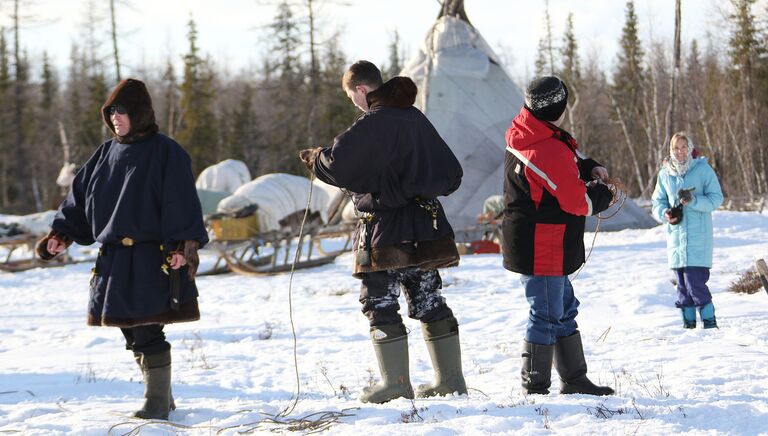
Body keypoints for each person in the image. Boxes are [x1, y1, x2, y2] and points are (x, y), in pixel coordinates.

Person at [35, 78, 208, 420]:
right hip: (114, 259)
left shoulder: (166, 152)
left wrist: (180, 246)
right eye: (112, 111)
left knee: (146, 329)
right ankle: (163, 397)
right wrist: (61, 234)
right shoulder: (105, 153)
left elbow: (182, 201)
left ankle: (157, 404)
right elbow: (79, 198)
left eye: (123, 111)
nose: (116, 117)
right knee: (129, 331)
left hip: (151, 257)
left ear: (140, 113)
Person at [299, 60, 467, 403]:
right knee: (429, 299)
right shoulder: (415, 119)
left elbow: (337, 166)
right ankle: (451, 381)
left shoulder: (372, 124)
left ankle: (395, 385)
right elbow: (452, 173)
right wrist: (414, 185)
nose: (354, 104)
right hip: (425, 226)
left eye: (351, 97)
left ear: (361, 89)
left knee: (379, 301)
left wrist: (315, 159)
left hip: (386, 230)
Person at [503, 76, 615, 396]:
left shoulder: (531, 130)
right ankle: (535, 387)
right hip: (542, 243)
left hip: (543, 239)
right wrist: (601, 198)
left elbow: (566, 159)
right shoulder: (544, 149)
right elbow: (577, 201)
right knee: (547, 313)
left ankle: (575, 379)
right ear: (559, 107)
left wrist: (587, 165)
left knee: (563, 308)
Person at [651, 132, 723, 329]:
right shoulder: (665, 174)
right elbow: (657, 202)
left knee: (695, 285)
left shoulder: (702, 170)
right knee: (682, 288)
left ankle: (709, 325)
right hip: (676, 240)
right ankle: (688, 327)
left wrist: (694, 201)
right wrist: (665, 213)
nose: (680, 151)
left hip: (698, 239)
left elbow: (716, 198)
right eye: (676, 148)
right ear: (671, 151)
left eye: (684, 147)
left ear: (690, 149)